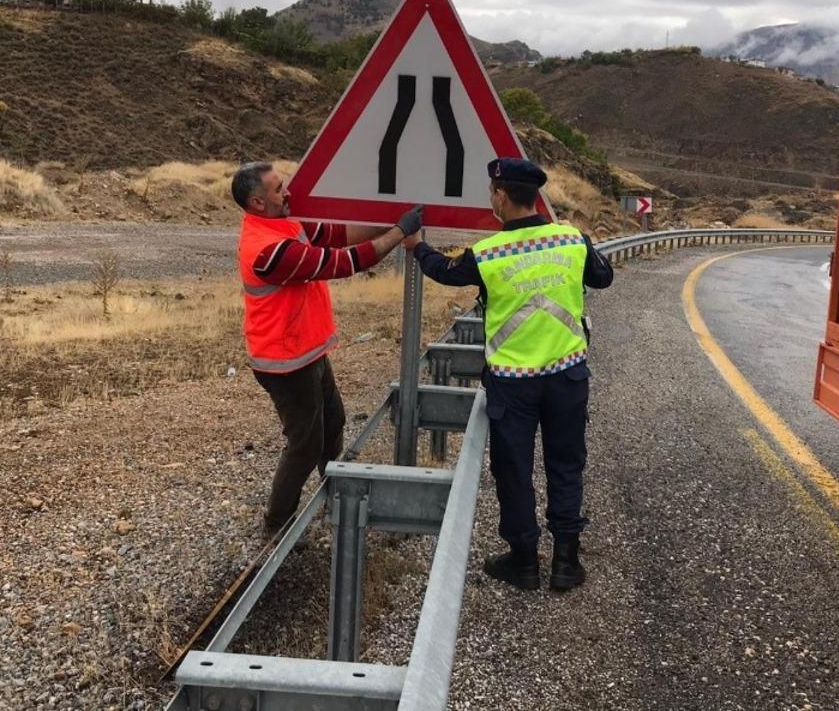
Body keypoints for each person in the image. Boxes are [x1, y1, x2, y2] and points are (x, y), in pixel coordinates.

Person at [405, 157, 613, 591]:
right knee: (566, 463)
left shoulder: (488, 254)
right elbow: (603, 277)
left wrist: (417, 245)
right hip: (567, 376)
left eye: (491, 194)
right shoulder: (571, 238)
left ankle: (523, 561)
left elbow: (442, 271)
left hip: (513, 384)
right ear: (535, 196)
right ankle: (565, 562)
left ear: (501, 196)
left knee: (514, 470)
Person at [231, 161, 423, 535]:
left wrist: (391, 221)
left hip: (308, 351)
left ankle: (333, 493)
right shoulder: (267, 250)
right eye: (278, 189)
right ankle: (277, 525)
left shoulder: (286, 222)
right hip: (283, 364)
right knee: (304, 444)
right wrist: (400, 231)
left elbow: (340, 234)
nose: (288, 193)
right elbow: (343, 261)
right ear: (257, 202)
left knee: (333, 422)